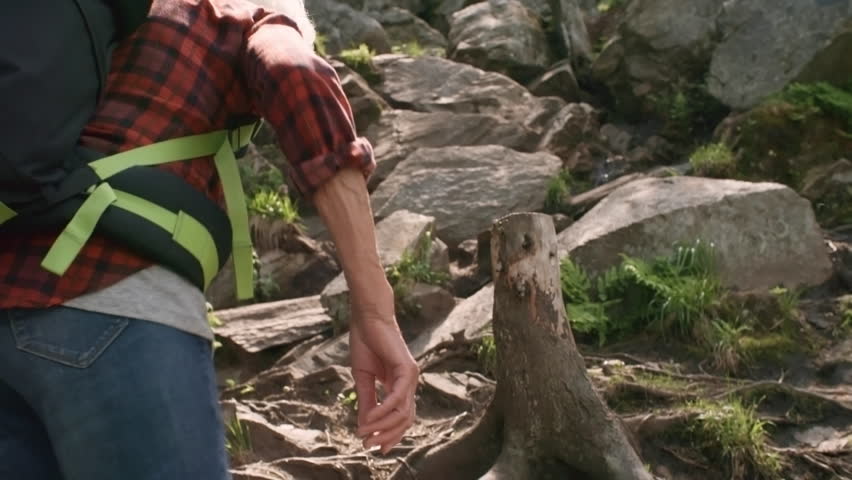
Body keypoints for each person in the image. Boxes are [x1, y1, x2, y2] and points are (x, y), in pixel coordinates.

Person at [0, 1, 418, 479]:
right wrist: (374, 311)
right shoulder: (234, 9)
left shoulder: (77, 21)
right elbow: (296, 75)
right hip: (117, 298)